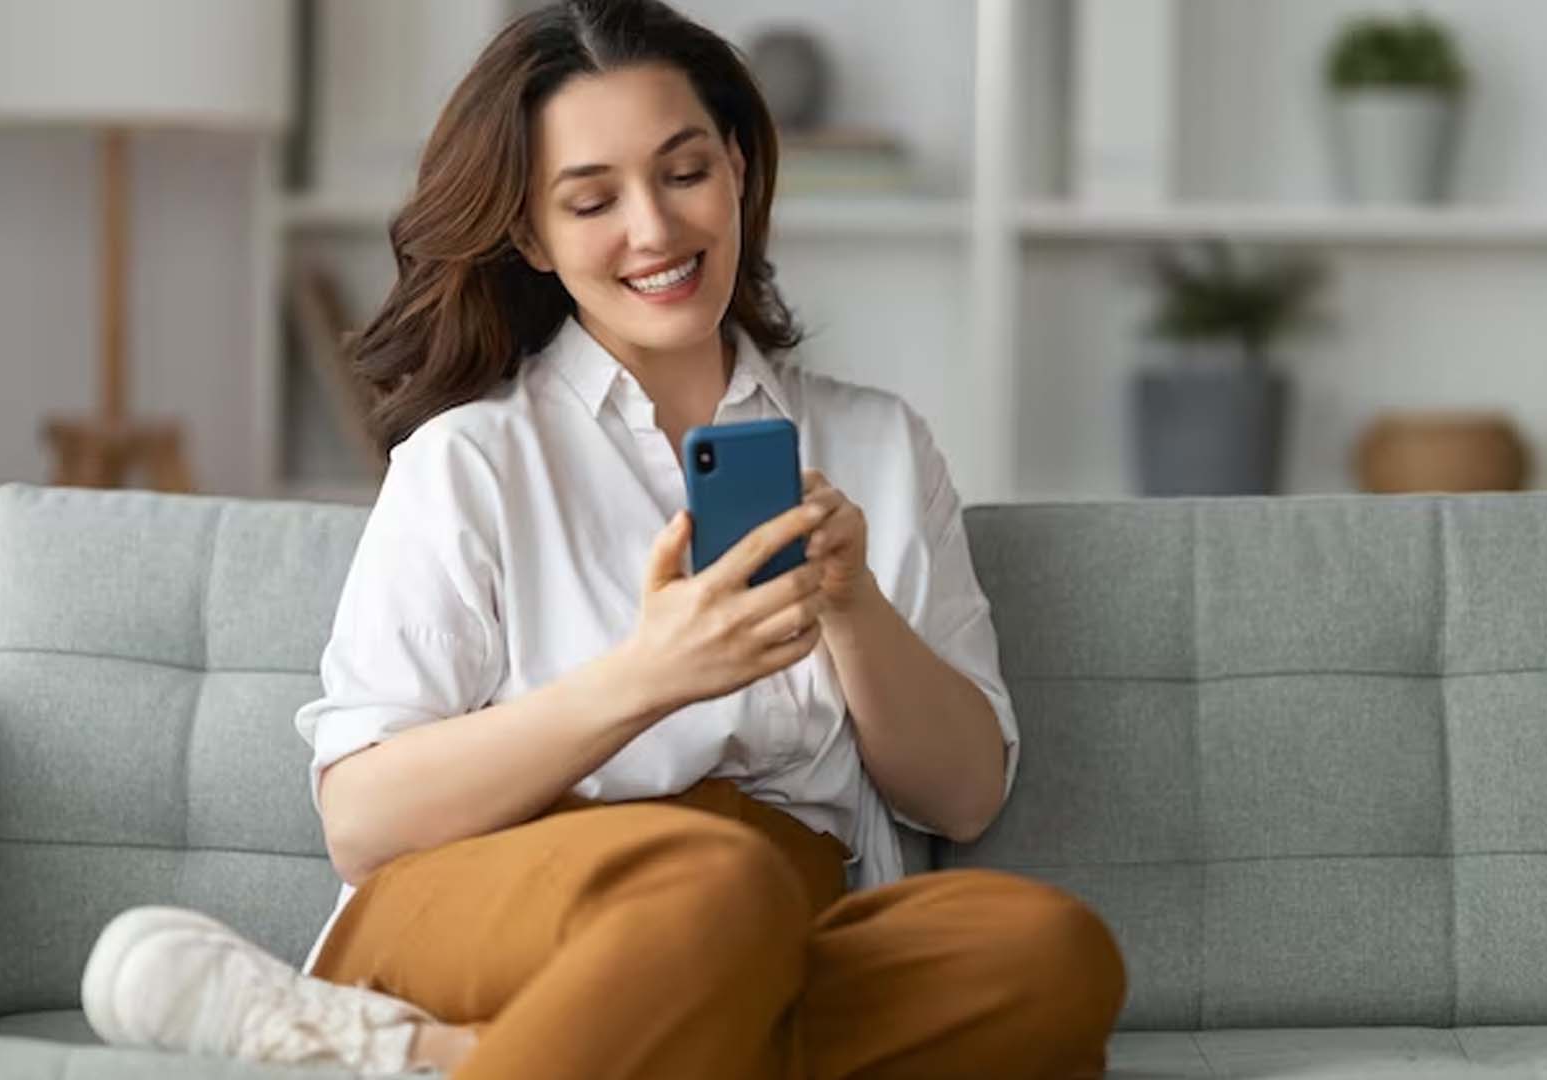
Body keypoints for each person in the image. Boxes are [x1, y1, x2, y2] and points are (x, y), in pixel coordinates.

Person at [79, 1, 1127, 1076]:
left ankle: (442, 1056)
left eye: (684, 173)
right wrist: (645, 678)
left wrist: (851, 608)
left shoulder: (879, 446)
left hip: (786, 919)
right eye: (593, 199)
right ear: (532, 233)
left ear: (737, 167)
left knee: (1047, 955)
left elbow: (962, 796)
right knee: (713, 883)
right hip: (507, 900)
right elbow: (363, 817)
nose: (656, 231)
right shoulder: (469, 461)